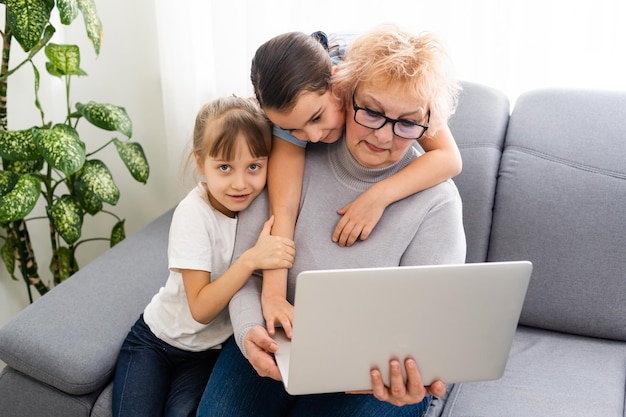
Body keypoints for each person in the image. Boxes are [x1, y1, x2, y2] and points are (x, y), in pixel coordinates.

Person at [196, 24, 466, 417]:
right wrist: (249, 330)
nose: (385, 136)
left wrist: (416, 374)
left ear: (427, 122)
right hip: (282, 337)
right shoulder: (289, 157)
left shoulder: (438, 199)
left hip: (375, 367)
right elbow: (249, 270)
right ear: (347, 91)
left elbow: (430, 323)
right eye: (371, 112)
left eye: (407, 123)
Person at [250, 30, 463, 338]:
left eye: (317, 118)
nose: (311, 136)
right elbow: (282, 211)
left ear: (341, 86)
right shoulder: (291, 119)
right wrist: (273, 296)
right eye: (292, 129)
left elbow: (449, 159)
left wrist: (378, 197)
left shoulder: (383, 80)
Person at [111, 96, 296, 417]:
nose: (241, 183)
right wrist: (251, 260)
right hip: (155, 343)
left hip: (207, 354)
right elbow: (200, 309)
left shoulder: (263, 206)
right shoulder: (193, 215)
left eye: (254, 166)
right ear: (200, 163)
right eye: (224, 167)